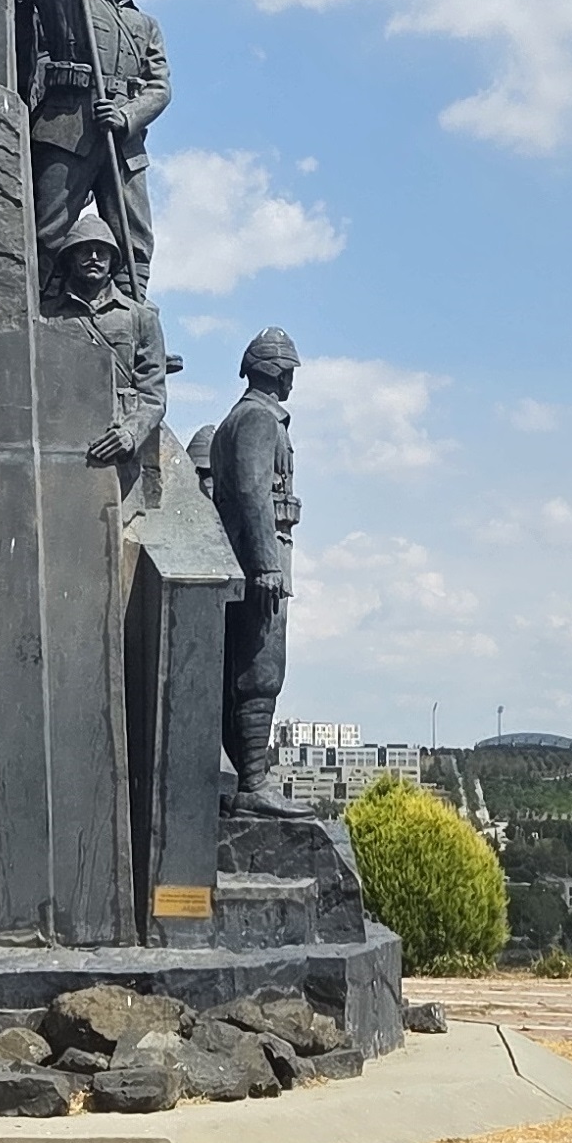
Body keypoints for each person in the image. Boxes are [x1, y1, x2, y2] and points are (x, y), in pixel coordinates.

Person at [3, 0, 169, 289]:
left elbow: (159, 87)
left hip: (123, 140)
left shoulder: (145, 25)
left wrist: (126, 116)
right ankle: (40, 304)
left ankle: (132, 311)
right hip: (67, 130)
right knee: (48, 230)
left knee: (135, 238)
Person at [209, 327, 308, 817]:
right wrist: (267, 564)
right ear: (277, 371)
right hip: (259, 558)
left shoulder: (242, 418)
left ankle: (246, 778)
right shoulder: (256, 419)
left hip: (253, 553)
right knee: (261, 665)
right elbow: (252, 492)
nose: (291, 381)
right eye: (289, 371)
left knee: (250, 665)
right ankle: (253, 782)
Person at [39, 214, 166, 508]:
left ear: (112, 261)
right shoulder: (45, 317)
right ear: (69, 258)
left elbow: (153, 395)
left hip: (119, 454)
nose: (94, 257)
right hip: (62, 446)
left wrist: (130, 434)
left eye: (102, 251)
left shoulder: (141, 319)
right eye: (85, 250)